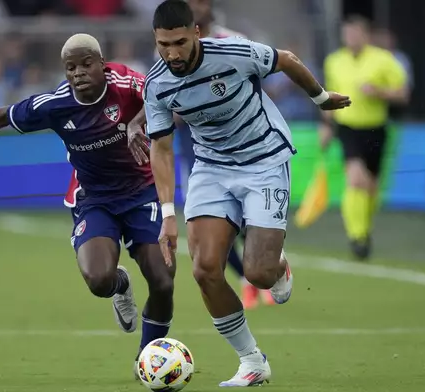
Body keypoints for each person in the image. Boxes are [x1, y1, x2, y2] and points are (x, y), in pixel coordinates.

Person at [0, 33, 176, 373]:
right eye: (71, 67)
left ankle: (147, 358)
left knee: (162, 279)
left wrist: (136, 123)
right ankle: (120, 285)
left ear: (102, 64)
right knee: (98, 279)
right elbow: (0, 116)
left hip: (141, 191)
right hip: (94, 198)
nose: (79, 73)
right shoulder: (56, 104)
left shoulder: (126, 82)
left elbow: (163, 96)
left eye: (86, 64)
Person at [140, 0, 350, 386]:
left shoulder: (233, 53)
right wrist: (168, 213)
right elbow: (162, 147)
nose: (172, 53)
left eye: (180, 42)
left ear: (196, 33)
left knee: (259, 274)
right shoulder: (157, 84)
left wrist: (320, 98)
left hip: (264, 160)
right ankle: (252, 360)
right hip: (211, 168)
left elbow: (285, 59)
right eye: (163, 44)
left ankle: (276, 264)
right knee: (204, 269)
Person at [181, 0, 272, 310]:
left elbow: (255, 86)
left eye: (199, 1)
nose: (194, 7)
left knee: (248, 219)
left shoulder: (233, 42)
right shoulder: (172, 48)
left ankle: (263, 266)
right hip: (197, 147)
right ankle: (246, 280)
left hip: (244, 149)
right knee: (216, 223)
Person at [321, 15, 408, 260]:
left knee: (371, 187)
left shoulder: (384, 60)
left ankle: (364, 229)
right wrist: (326, 125)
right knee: (355, 179)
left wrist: (379, 91)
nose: (350, 38)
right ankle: (357, 236)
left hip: (375, 128)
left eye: (355, 33)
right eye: (347, 34)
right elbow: (327, 95)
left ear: (366, 35)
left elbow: (403, 94)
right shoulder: (334, 61)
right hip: (347, 127)